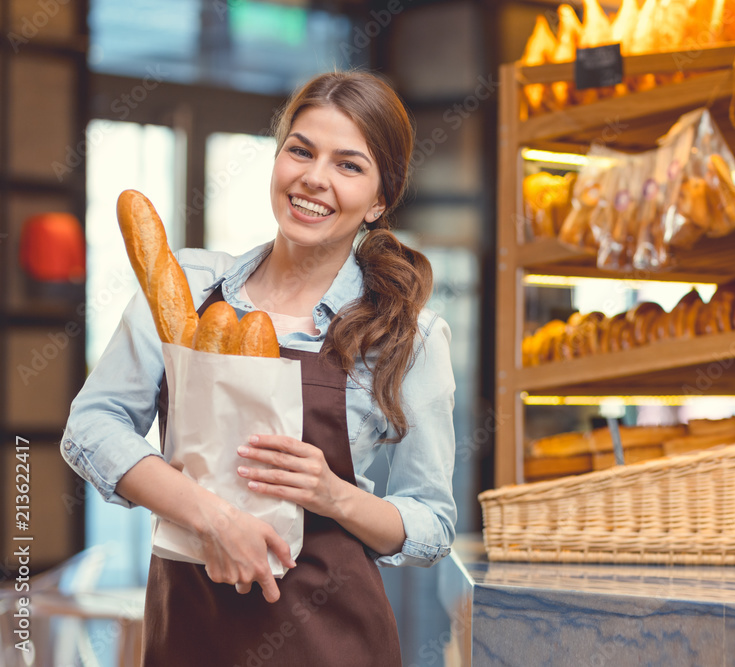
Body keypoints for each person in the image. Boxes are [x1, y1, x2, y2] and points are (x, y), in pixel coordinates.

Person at [61, 70, 458, 666]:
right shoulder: (188, 286)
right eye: (300, 150)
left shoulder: (407, 333)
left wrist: (334, 495)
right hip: (190, 632)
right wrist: (212, 518)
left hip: (334, 641)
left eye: (348, 165)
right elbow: (91, 427)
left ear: (380, 199)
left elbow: (431, 522)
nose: (314, 178)